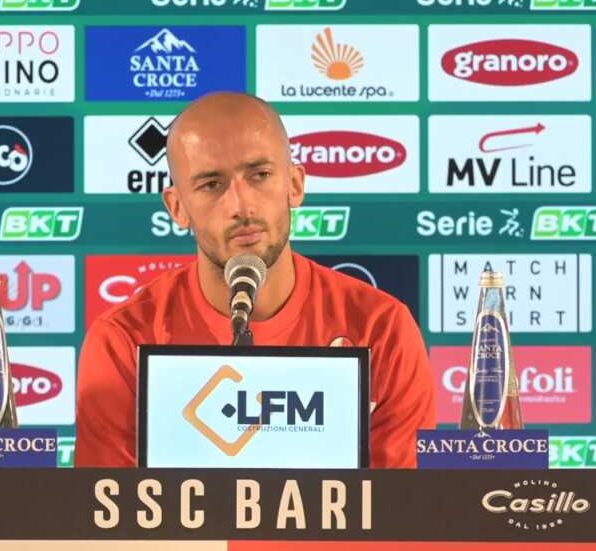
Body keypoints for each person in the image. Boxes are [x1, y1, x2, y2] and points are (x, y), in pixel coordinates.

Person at [76, 92, 434, 468]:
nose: (241, 206)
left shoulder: (381, 329)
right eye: (211, 184)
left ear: (294, 184)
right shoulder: (124, 341)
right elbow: (108, 504)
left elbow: (403, 501)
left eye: (260, 175)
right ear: (177, 207)